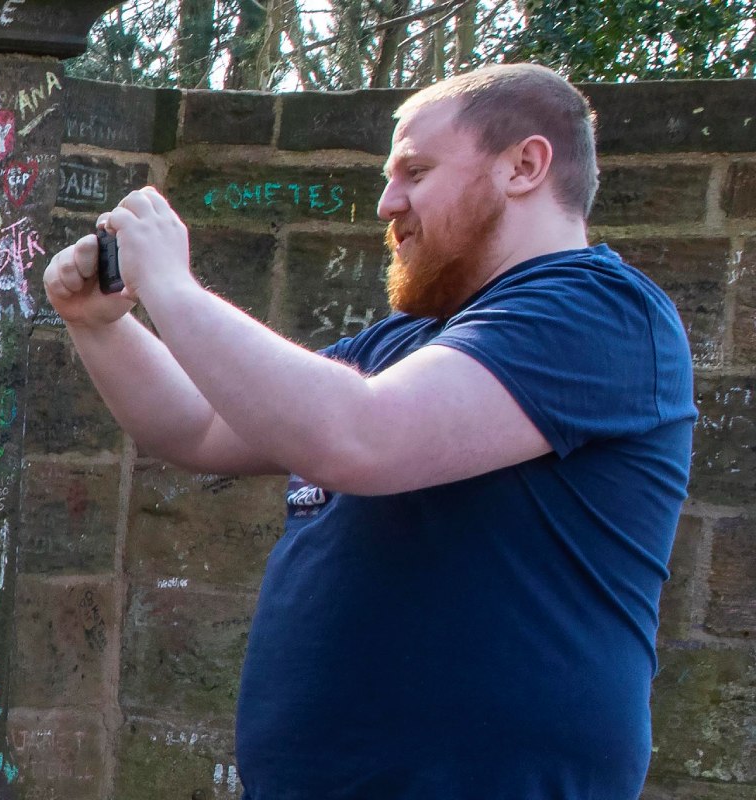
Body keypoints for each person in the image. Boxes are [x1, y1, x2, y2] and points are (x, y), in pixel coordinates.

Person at [44, 63, 692, 798]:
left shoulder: (597, 313)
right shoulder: (405, 343)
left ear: (525, 166)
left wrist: (171, 284)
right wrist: (102, 323)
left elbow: (357, 439)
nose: (388, 203)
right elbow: (198, 428)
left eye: (415, 171)